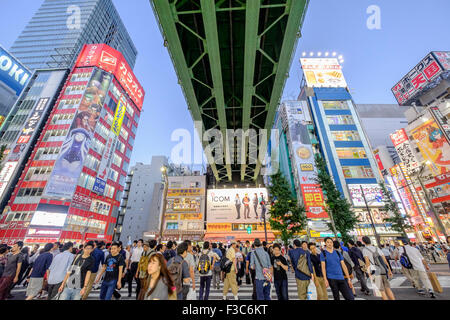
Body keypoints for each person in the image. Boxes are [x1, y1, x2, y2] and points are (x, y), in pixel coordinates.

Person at [361, 236, 395, 300]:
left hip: (375, 271)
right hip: (383, 270)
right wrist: (389, 270)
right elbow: (384, 260)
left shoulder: (365, 250)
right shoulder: (377, 248)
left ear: (363, 242)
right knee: (388, 289)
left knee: (381, 290)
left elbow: (367, 263)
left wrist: (369, 274)